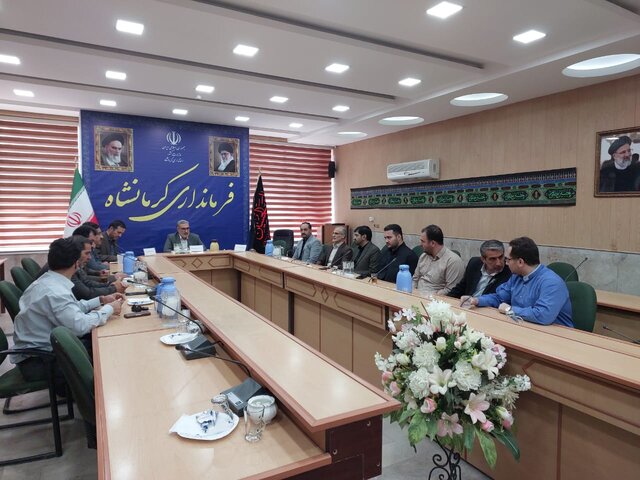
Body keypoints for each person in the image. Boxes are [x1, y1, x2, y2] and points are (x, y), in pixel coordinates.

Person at [11, 237, 123, 395]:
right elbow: (79, 326)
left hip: (42, 353)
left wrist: (101, 300)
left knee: (102, 341)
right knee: (108, 353)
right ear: (76, 263)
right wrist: (109, 309)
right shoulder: (55, 292)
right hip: (41, 362)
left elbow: (71, 309)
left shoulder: (49, 281)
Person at [462, 236, 573, 327]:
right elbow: (499, 298)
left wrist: (509, 310)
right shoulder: (516, 276)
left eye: (508, 259)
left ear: (520, 262)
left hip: (558, 336)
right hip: (525, 327)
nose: (505, 263)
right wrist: (476, 300)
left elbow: (543, 316)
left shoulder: (551, 282)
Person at [412, 225, 464, 296]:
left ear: (433, 243)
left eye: (423, 241)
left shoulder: (453, 261)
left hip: (435, 300)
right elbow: (415, 279)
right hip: (416, 296)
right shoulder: (423, 256)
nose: (420, 244)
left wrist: (430, 296)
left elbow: (451, 290)